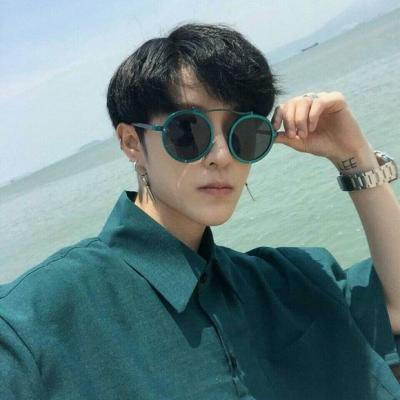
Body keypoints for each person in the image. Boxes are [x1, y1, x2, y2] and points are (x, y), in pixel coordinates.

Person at [1, 22, 399, 400]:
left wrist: (354, 156)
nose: (221, 156)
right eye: (188, 131)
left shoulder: (286, 282)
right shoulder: (32, 323)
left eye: (244, 132)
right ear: (131, 142)